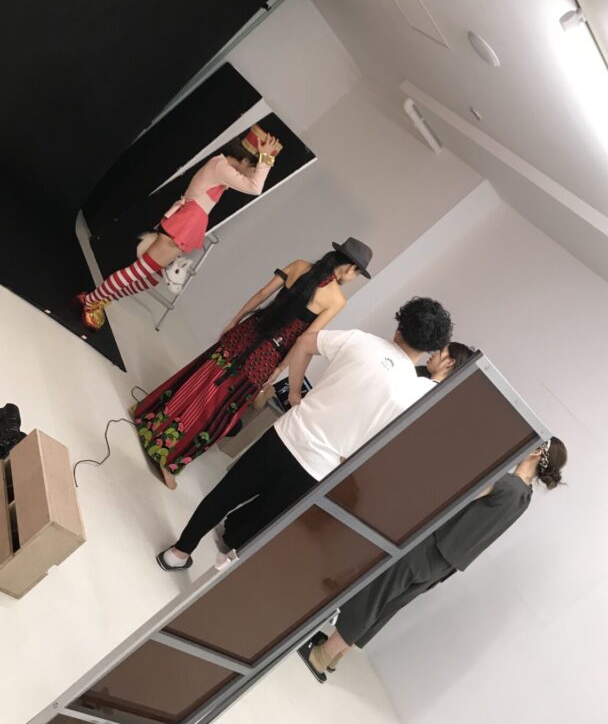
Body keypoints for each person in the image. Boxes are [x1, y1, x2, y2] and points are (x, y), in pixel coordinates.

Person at [156, 296, 454, 570]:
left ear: (400, 323)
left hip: (287, 435)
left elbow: (304, 343)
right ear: (432, 347)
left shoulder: (360, 341)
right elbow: (435, 401)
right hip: (317, 469)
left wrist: (295, 392)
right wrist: (439, 374)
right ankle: (218, 570)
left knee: (225, 494)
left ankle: (178, 553)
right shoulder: (417, 391)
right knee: (262, 526)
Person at [298, 436, 568, 682]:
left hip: (429, 547)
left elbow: (462, 495)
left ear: (536, 452)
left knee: (374, 597)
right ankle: (336, 656)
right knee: (387, 605)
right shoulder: (524, 497)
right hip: (444, 564)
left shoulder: (506, 484)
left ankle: (321, 656)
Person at [133, 238, 373, 489]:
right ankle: (168, 459)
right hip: (266, 357)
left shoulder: (300, 265)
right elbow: (305, 340)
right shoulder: (337, 300)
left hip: (248, 331)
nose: (354, 278)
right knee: (220, 407)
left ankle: (149, 418)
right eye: (358, 274)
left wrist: (235, 320)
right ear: (351, 268)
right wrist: (280, 368)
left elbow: (262, 294)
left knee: (202, 377)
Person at [74, 127, 281, 330]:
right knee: (139, 271)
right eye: (253, 167)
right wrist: (266, 158)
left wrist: (266, 158)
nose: (253, 172)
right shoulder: (222, 167)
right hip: (183, 226)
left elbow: (252, 182)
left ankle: (101, 299)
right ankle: (90, 300)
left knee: (150, 279)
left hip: (185, 225)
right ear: (244, 161)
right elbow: (255, 187)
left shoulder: (221, 165)